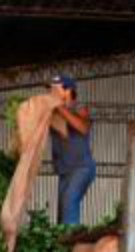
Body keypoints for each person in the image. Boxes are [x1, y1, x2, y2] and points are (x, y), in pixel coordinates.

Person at [48, 75, 95, 226]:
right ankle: (64, 246)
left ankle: (71, 243)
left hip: (82, 168)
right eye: (51, 89)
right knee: (62, 215)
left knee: (69, 200)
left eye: (56, 88)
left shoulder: (80, 109)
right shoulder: (52, 113)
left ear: (68, 91)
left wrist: (60, 107)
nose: (51, 92)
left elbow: (83, 128)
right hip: (64, 172)